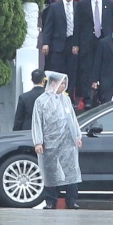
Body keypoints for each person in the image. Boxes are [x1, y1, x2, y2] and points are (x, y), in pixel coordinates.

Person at [32, 71, 82, 210]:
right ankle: (50, 201)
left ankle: (71, 201)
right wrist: (38, 142)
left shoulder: (65, 99)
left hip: (67, 142)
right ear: (53, 83)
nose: (64, 86)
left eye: (65, 83)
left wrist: (77, 136)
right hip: (50, 142)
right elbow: (37, 122)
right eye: (62, 83)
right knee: (51, 172)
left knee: (70, 171)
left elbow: (72, 119)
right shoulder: (42, 101)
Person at [74, 0, 113, 109]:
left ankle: (102, 96)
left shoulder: (109, 4)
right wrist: (76, 44)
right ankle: (88, 97)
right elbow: (78, 25)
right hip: (88, 40)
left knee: (103, 68)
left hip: (104, 40)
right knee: (87, 69)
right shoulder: (82, 4)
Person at [42, 0, 78, 99]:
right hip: (57, 44)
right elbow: (48, 27)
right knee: (56, 70)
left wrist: (77, 44)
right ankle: (53, 94)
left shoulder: (78, 6)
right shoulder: (54, 7)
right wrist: (46, 43)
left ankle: (69, 97)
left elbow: (80, 27)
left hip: (72, 43)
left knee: (71, 71)